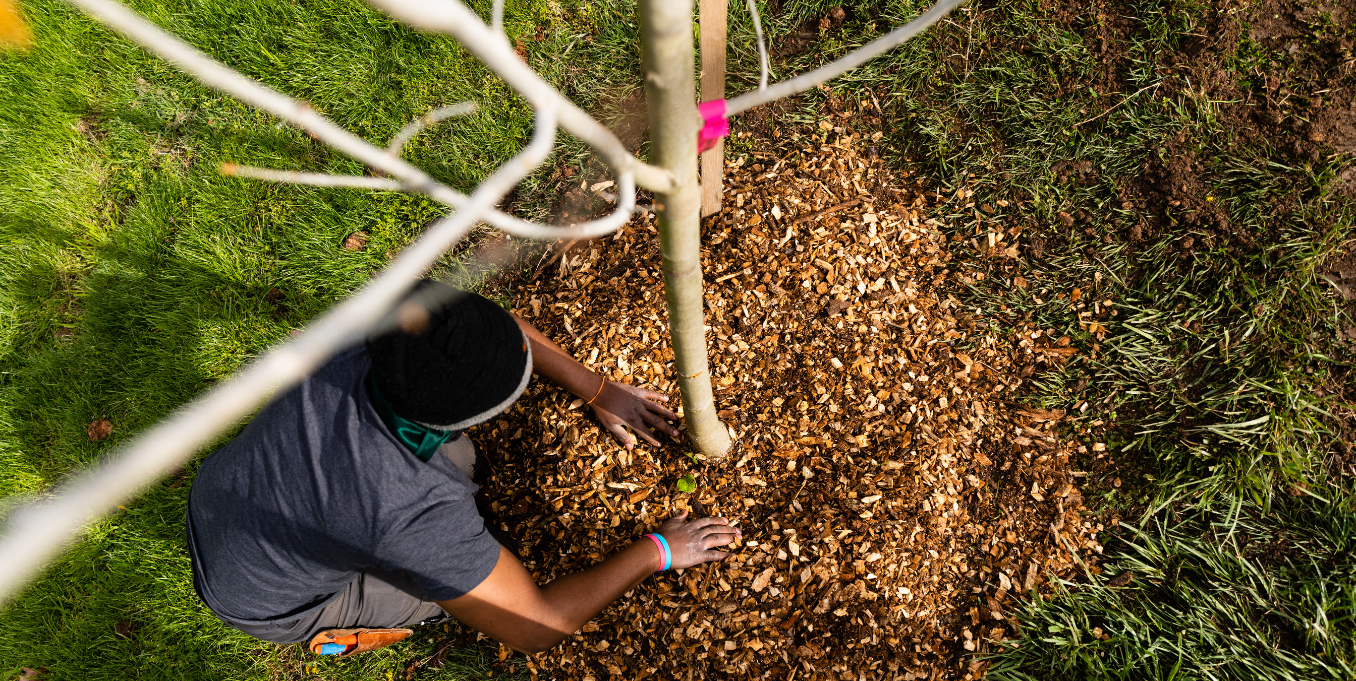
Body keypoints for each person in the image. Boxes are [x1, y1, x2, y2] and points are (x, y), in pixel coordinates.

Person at [186, 279, 739, 656]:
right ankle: (340, 632)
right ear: (475, 412)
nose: (524, 350)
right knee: (443, 596)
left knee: (462, 462)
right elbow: (536, 626)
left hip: (226, 490)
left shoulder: (383, 332)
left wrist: (597, 389)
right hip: (262, 598)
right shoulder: (408, 509)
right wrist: (661, 550)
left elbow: (498, 328)